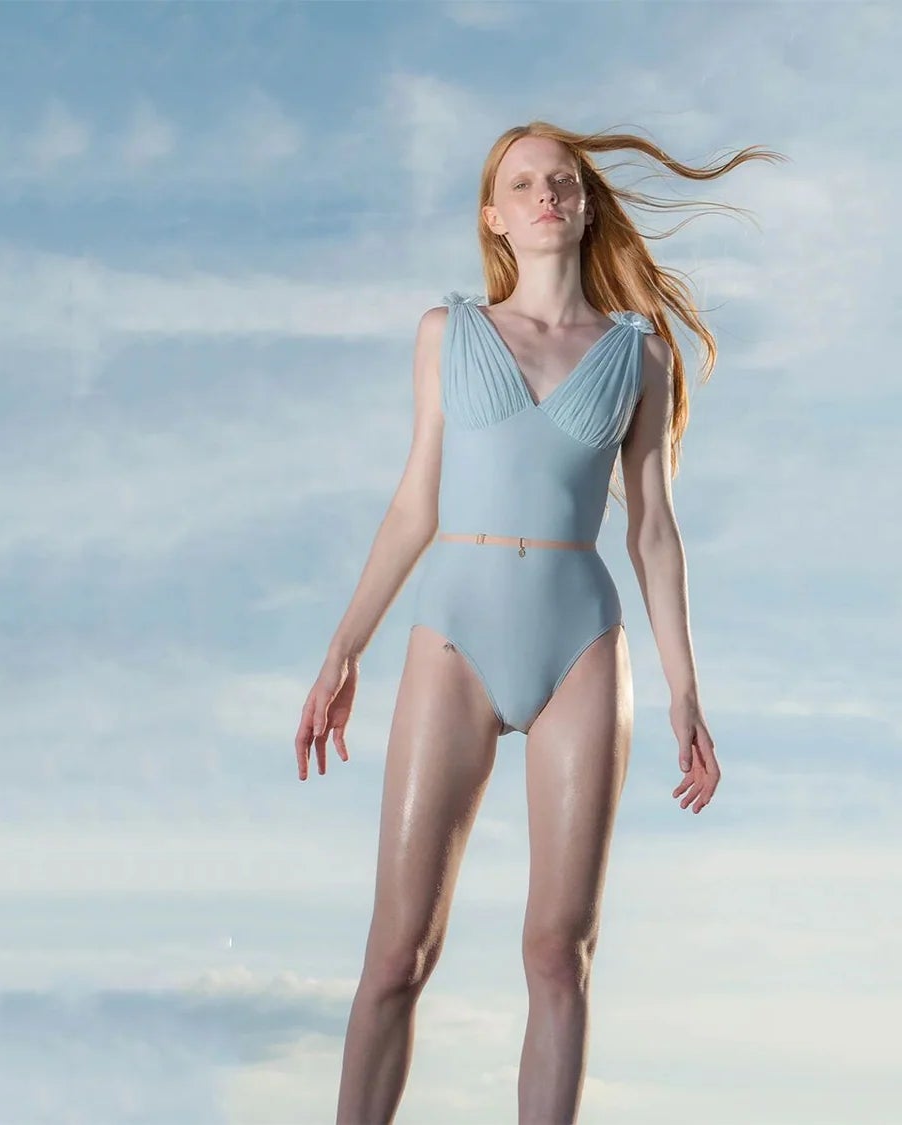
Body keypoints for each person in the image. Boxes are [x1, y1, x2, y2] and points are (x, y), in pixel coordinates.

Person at [294, 122, 777, 1123]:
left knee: (560, 952)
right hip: (453, 635)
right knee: (398, 952)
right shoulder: (448, 332)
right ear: (494, 217)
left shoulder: (640, 354)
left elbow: (653, 530)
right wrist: (344, 650)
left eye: (561, 180)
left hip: (582, 644)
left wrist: (687, 689)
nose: (545, 194)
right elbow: (414, 504)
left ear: (586, 205)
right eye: (522, 184)